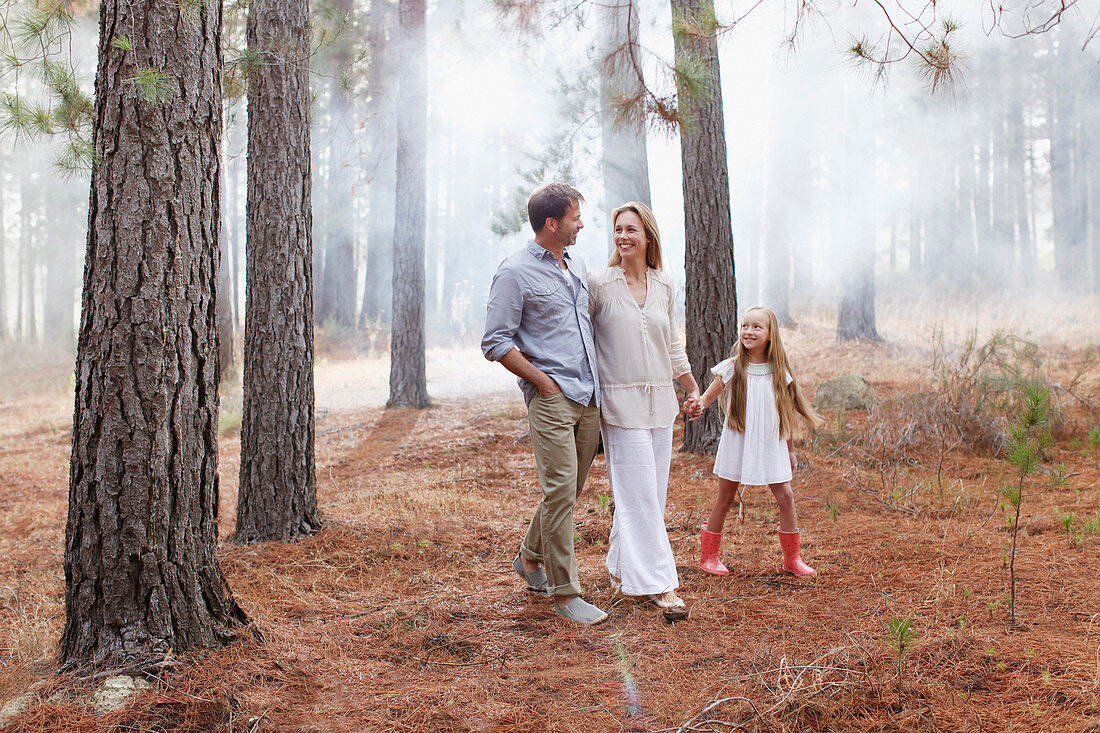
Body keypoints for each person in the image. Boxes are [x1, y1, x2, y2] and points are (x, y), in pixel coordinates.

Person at [481, 182, 608, 626]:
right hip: (552, 400)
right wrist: (542, 383)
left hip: (589, 397)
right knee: (559, 492)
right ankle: (566, 594)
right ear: (552, 224)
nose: (582, 224)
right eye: (575, 217)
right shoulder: (514, 272)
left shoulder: (576, 264)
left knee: (568, 491)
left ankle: (529, 558)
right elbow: (495, 341)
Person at [588, 202, 699, 620]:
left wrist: (691, 390)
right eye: (618, 230)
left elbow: (671, 343)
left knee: (650, 494)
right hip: (619, 404)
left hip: (661, 406)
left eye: (631, 230)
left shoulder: (665, 284)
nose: (623, 237)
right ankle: (660, 585)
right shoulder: (598, 283)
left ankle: (620, 566)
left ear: (647, 236)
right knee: (637, 497)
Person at [686, 306, 825, 577]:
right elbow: (707, 398)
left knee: (785, 495)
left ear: (771, 334)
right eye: (745, 326)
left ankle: (792, 558)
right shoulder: (733, 367)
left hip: (771, 442)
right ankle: (709, 556)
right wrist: (697, 404)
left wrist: (791, 451)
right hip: (739, 439)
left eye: (757, 327)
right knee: (725, 498)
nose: (749, 331)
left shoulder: (779, 371)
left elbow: (785, 414)